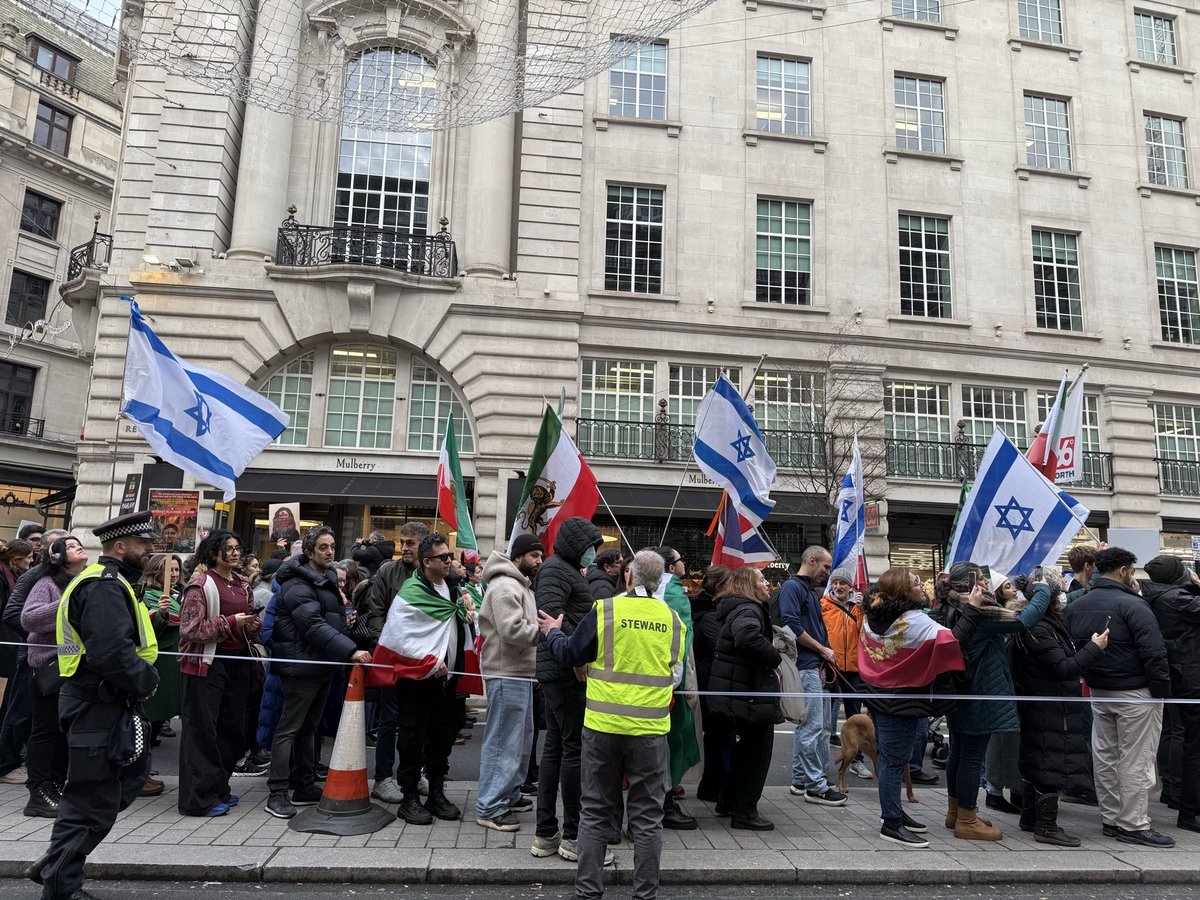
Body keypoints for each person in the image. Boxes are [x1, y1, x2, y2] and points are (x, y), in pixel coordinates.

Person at [26, 511, 160, 900]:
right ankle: (61, 885)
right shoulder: (103, 586)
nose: (150, 549)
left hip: (103, 703)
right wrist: (146, 680)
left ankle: (54, 864)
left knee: (120, 784)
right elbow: (110, 652)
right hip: (95, 704)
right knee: (91, 799)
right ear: (119, 546)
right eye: (142, 543)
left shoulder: (112, 582)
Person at [538, 549, 684, 900]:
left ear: (629, 576)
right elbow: (674, 670)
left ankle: (588, 892)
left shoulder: (606, 610)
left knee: (594, 812)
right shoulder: (672, 619)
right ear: (660, 580)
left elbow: (571, 653)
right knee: (647, 818)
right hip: (650, 732)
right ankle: (645, 894)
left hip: (602, 728)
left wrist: (553, 632)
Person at [858, 567, 982, 848]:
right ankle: (891, 823)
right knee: (894, 762)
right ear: (904, 592)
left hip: (878, 694)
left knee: (890, 759)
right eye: (916, 582)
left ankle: (894, 811)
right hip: (902, 699)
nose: (922, 585)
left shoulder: (872, 616)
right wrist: (973, 609)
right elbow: (954, 641)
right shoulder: (914, 621)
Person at [933, 562, 1051, 841]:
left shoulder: (950, 606)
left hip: (960, 690)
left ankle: (956, 812)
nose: (987, 583)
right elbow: (1023, 621)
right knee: (972, 757)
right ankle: (967, 819)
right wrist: (1043, 591)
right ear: (971, 584)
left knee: (958, 752)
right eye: (982, 579)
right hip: (981, 691)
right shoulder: (979, 609)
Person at [1066, 547, 1173, 847]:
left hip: (1099, 689)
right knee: (1136, 759)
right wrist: (1161, 692)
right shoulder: (1134, 605)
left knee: (1106, 756)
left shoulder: (1077, 605)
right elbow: (1154, 652)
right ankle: (1133, 823)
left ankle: (1112, 818)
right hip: (1136, 692)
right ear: (1123, 571)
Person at [264, 526, 371, 819]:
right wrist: (350, 650)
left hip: (321, 664)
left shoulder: (324, 579)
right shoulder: (298, 584)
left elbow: (327, 621)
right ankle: (277, 793)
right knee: (289, 729)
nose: (329, 551)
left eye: (332, 546)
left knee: (309, 728)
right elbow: (312, 625)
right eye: (323, 547)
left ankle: (304, 785)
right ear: (309, 552)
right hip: (301, 667)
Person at [1010, 570, 1108, 847]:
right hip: (1050, 705)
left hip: (1046, 704)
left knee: (1037, 759)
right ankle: (1046, 825)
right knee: (1050, 762)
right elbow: (1063, 668)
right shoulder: (1040, 629)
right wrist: (1094, 648)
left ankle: (1030, 817)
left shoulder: (1043, 624)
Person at [385, 532, 467, 825]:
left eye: (450, 556)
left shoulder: (453, 588)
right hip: (418, 680)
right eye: (443, 557)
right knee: (412, 736)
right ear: (426, 562)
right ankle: (409, 797)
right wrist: (428, 660)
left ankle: (436, 793)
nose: (449, 561)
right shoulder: (412, 591)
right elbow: (398, 635)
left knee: (442, 737)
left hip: (448, 679)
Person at [534, 516, 604, 860]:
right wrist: (575, 653)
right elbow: (550, 620)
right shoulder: (556, 570)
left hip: (561, 668)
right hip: (566, 670)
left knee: (556, 748)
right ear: (577, 546)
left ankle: (546, 832)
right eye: (590, 546)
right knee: (572, 749)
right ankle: (573, 836)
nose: (594, 552)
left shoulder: (566, 570)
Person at [178, 531, 261, 817]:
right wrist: (230, 622)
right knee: (202, 731)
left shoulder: (242, 584)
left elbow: (245, 624)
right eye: (229, 548)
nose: (236, 553)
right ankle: (197, 799)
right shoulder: (200, 584)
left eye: (238, 548)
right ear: (214, 553)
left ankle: (218, 789)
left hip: (237, 663)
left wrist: (252, 626)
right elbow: (190, 629)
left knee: (231, 730)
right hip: (207, 665)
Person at [476, 534, 544, 833]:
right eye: (534, 555)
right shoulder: (505, 585)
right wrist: (546, 633)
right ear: (518, 557)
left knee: (520, 741)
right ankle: (490, 807)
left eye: (540, 555)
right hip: (506, 673)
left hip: (519, 673)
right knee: (504, 741)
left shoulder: (520, 586)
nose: (539, 561)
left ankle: (508, 794)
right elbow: (512, 630)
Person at [707, 565, 781, 830]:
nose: (767, 583)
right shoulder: (749, 609)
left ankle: (728, 802)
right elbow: (747, 638)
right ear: (750, 585)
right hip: (749, 694)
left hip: (740, 691)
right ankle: (745, 812)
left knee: (744, 749)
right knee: (756, 754)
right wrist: (775, 658)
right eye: (761, 579)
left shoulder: (740, 607)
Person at [19, 536, 88, 818]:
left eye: (78, 543)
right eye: (70, 546)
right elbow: (28, 618)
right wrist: (67, 605)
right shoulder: (46, 584)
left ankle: (57, 786)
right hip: (49, 669)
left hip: (75, 669)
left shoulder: (86, 582)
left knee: (64, 732)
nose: (78, 547)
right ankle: (38, 792)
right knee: (45, 731)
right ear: (58, 557)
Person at [775, 545, 843, 806]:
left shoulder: (806, 590)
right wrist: (822, 649)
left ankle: (802, 780)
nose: (827, 572)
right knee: (813, 728)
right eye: (825, 566)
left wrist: (824, 651)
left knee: (817, 727)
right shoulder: (793, 587)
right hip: (806, 666)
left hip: (814, 665)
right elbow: (791, 624)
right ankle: (816, 786)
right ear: (811, 560)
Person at [366, 520, 428, 803]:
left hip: (421, 659)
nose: (404, 548)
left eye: (410, 543)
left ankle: (413, 773)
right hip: (392, 656)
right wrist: (385, 646)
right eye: (402, 542)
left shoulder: (431, 573)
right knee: (389, 720)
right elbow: (376, 611)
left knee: (416, 720)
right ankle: (382, 778)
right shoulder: (387, 571)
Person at [1142, 554, 1200, 833]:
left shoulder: (1154, 596)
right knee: (1194, 744)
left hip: (1173, 676)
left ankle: (1177, 796)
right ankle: (1190, 810)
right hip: (1191, 677)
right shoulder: (1179, 599)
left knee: (1176, 735)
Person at [654, 546, 699, 829]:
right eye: (681, 560)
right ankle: (664, 801)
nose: (684, 564)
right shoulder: (674, 593)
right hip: (669, 683)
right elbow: (679, 643)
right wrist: (678, 682)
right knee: (668, 742)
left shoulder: (626, 597)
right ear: (670, 568)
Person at [821, 567, 872, 781]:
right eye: (835, 583)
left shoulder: (858, 607)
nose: (838, 586)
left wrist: (864, 608)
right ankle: (821, 765)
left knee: (855, 717)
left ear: (850, 586)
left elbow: (866, 634)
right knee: (824, 718)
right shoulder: (823, 605)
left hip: (853, 668)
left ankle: (856, 761)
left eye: (842, 583)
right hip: (829, 666)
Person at [691, 565, 733, 805]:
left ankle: (712, 785)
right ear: (720, 586)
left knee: (718, 736)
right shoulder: (709, 615)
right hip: (711, 682)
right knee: (720, 735)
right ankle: (714, 786)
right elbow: (721, 646)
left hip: (710, 680)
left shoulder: (708, 611)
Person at [138, 555, 183, 756]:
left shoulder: (175, 595)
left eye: (176, 570)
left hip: (172, 658)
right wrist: (161, 614)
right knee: (152, 711)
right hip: (159, 658)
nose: (174, 574)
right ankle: (143, 759)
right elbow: (146, 627)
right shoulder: (147, 594)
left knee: (161, 711)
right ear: (156, 571)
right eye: (169, 570)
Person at [0, 539, 35, 785]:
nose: (32, 561)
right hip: (5, 649)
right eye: (29, 557)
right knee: (5, 707)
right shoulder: (4, 578)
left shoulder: (12, 576)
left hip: (9, 648)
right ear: (16, 558)